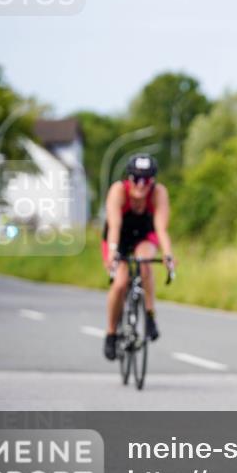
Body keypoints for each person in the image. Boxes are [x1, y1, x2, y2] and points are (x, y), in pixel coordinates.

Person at [101, 153, 175, 360]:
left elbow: (161, 229)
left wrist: (168, 255)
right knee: (120, 283)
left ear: (153, 180)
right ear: (129, 178)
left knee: (144, 264)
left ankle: (150, 316)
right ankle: (111, 333)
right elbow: (114, 226)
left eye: (147, 180)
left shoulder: (159, 193)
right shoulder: (118, 191)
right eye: (136, 179)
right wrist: (114, 253)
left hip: (144, 234)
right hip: (119, 236)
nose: (141, 185)